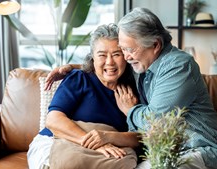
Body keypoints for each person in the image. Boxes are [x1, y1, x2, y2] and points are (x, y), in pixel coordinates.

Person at [45, 7, 217, 169]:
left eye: (128, 50)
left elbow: (154, 122)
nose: (126, 57)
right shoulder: (142, 62)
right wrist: (73, 68)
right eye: (124, 49)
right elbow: (109, 64)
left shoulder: (178, 66)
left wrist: (130, 110)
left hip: (199, 149)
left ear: (155, 45)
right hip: (166, 150)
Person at [27, 24, 141, 169]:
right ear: (92, 58)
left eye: (116, 54)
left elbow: (140, 138)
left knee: (127, 161)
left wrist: (130, 112)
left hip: (109, 149)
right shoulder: (79, 78)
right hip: (60, 140)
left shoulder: (133, 90)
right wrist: (93, 143)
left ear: (125, 56)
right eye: (102, 55)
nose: (109, 62)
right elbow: (53, 120)